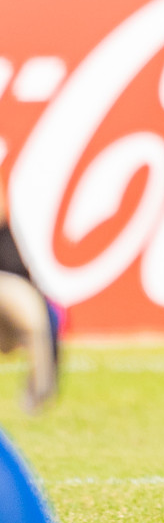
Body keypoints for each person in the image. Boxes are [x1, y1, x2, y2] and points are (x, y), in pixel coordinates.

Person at [0, 171, 59, 414]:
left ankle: (37, 401)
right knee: (34, 320)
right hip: (8, 284)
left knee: (46, 318)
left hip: (12, 280)